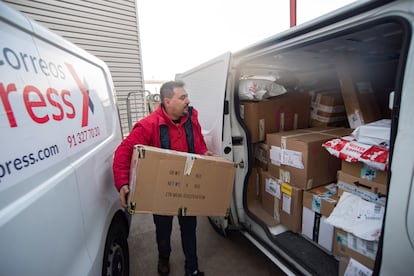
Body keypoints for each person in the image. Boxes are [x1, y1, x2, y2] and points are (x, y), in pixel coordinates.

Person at [113, 80, 212, 276]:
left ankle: (192, 267)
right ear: (167, 101)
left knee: (189, 228)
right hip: (162, 191)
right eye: (182, 97)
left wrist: (204, 153)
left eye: (187, 96)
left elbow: (198, 141)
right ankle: (163, 257)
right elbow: (123, 152)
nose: (188, 101)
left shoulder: (192, 118)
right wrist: (123, 183)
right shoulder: (148, 125)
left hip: (188, 187)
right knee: (163, 230)